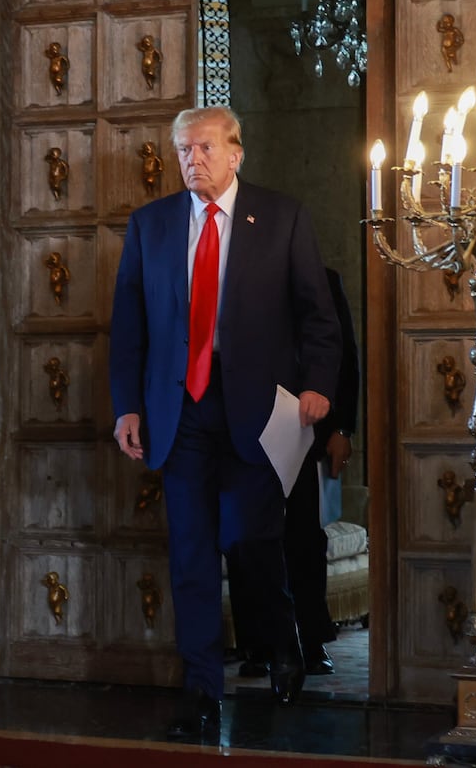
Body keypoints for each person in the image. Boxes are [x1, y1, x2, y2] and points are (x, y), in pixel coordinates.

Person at [109, 106, 342, 741]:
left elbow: (318, 316)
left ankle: (283, 638)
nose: (194, 160)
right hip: (178, 413)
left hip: (256, 412)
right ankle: (202, 691)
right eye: (184, 150)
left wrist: (319, 387)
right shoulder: (150, 226)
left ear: (236, 153)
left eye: (205, 148)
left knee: (249, 539)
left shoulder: (283, 218)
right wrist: (126, 405)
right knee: (190, 552)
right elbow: (130, 325)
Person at [230, 267, 360, 678]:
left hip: (306, 425)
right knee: (245, 535)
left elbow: (345, 355)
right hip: (243, 422)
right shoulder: (232, 274)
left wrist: (342, 428)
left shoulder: (324, 279)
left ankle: (312, 638)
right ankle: (256, 645)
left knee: (304, 536)